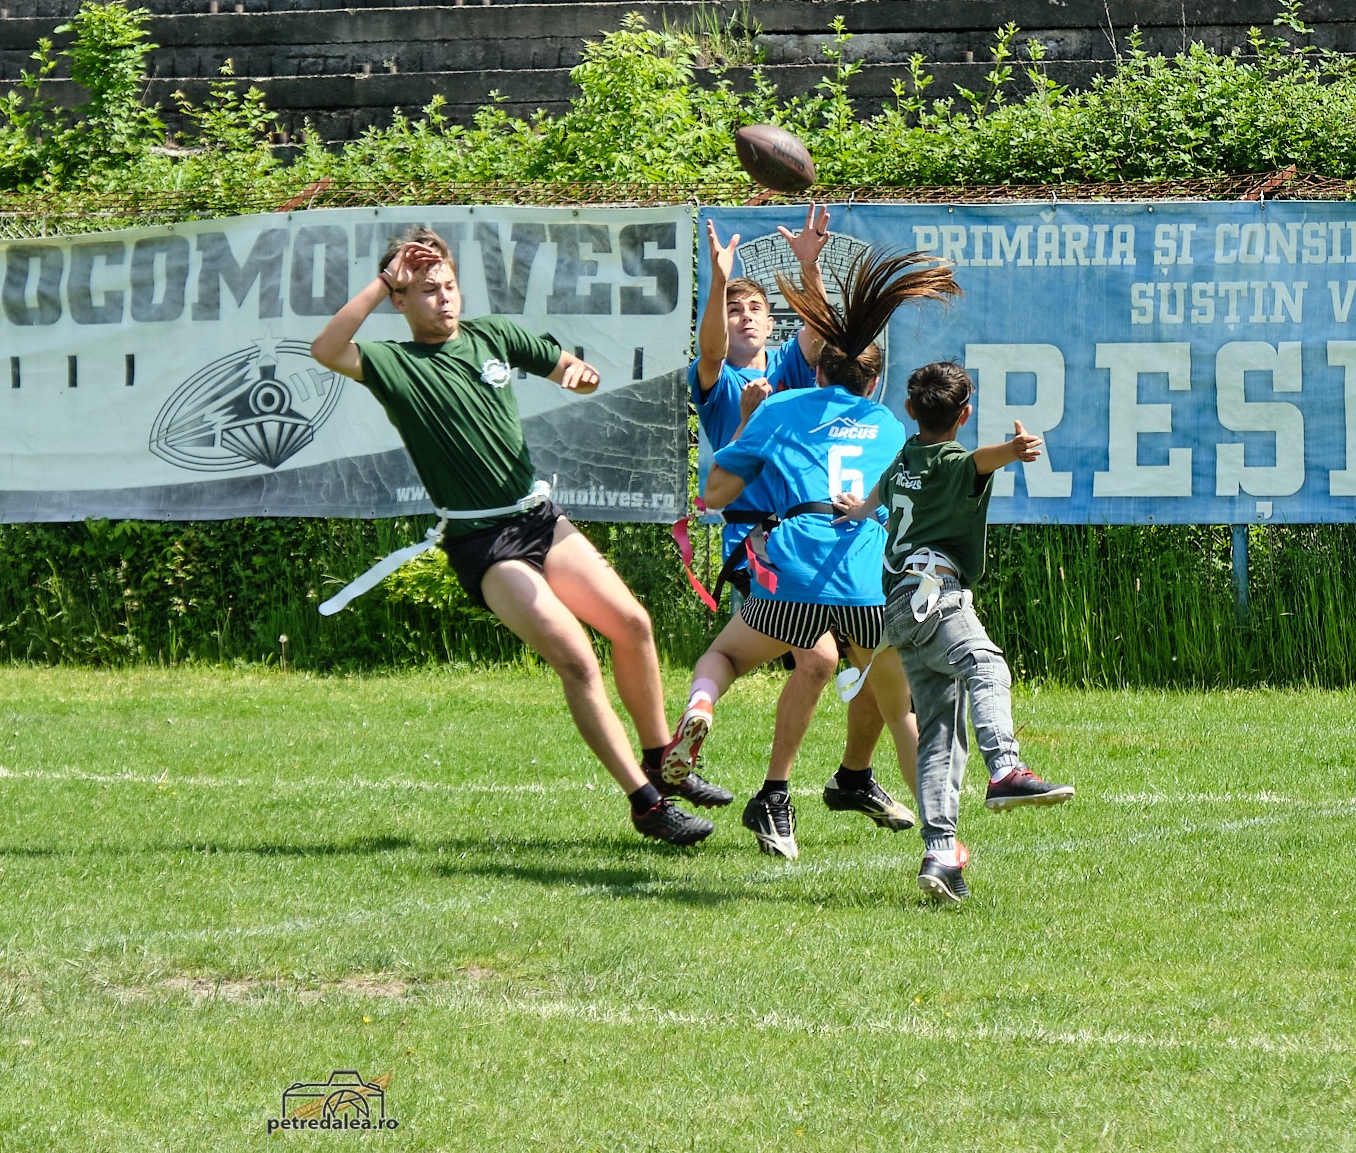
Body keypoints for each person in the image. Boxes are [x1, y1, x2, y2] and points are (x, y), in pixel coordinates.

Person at [311, 229, 714, 847]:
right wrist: (383, 279)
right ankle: (646, 803)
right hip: (483, 542)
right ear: (400, 299)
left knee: (633, 624)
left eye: (448, 286)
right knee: (577, 660)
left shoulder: (493, 336)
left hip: (538, 520)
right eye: (424, 290)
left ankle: (663, 760)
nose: (443, 299)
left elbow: (567, 367)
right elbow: (326, 347)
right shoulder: (395, 364)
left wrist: (578, 374)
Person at [666, 250, 960, 858]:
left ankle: (763, 768)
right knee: (892, 701)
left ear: (815, 369)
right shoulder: (884, 426)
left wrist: (750, 435)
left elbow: (713, 494)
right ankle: (942, 843)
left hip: (789, 564)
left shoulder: (775, 401)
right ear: (875, 384)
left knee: (731, 653)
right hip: (865, 578)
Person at [835, 360, 1076, 903]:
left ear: (909, 411)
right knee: (985, 664)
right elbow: (975, 461)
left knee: (940, 729)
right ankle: (1007, 768)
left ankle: (941, 849)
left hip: (897, 609)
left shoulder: (904, 460)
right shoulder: (951, 460)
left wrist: (859, 509)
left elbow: (882, 492)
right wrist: (1011, 453)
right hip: (934, 597)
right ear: (964, 415)